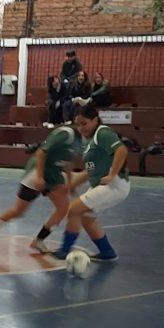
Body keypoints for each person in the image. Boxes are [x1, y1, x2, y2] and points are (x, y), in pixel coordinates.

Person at [0, 123, 81, 253]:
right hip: (37, 172)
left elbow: (69, 162)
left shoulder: (82, 141)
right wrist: (39, 177)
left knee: (63, 208)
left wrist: (69, 183)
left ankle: (39, 241)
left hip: (53, 176)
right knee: (18, 211)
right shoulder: (66, 133)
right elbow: (41, 152)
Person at [54, 101, 130, 262]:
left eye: (84, 123)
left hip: (114, 184)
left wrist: (112, 174)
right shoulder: (89, 140)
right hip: (104, 184)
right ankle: (107, 252)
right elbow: (91, 170)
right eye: (78, 125)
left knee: (74, 210)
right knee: (86, 218)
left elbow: (121, 150)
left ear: (95, 120)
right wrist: (74, 184)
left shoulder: (102, 133)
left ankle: (64, 250)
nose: (81, 128)